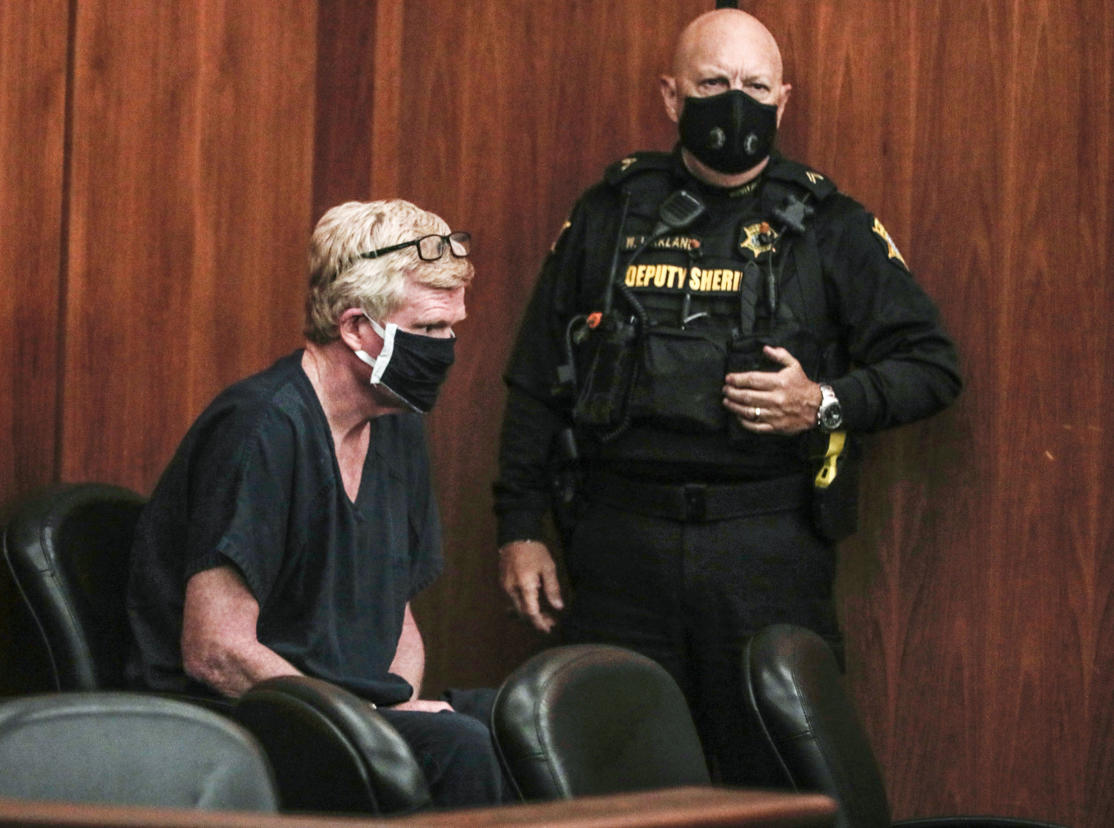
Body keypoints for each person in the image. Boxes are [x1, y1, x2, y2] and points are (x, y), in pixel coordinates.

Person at [494, 9, 961, 787]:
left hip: (766, 550)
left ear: (784, 100)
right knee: (612, 782)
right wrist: (518, 525)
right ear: (672, 98)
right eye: (713, 84)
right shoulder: (609, 215)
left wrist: (823, 402)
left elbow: (933, 367)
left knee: (770, 785)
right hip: (619, 549)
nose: (733, 101)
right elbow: (535, 380)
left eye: (753, 85)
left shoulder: (831, 226)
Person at [125, 199, 508, 808]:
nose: (448, 347)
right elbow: (216, 651)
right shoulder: (261, 428)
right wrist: (362, 723)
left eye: (452, 326)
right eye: (430, 329)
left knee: (526, 724)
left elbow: (396, 617)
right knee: (461, 746)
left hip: (348, 705)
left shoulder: (395, 418)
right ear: (357, 328)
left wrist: (397, 704)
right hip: (245, 716)